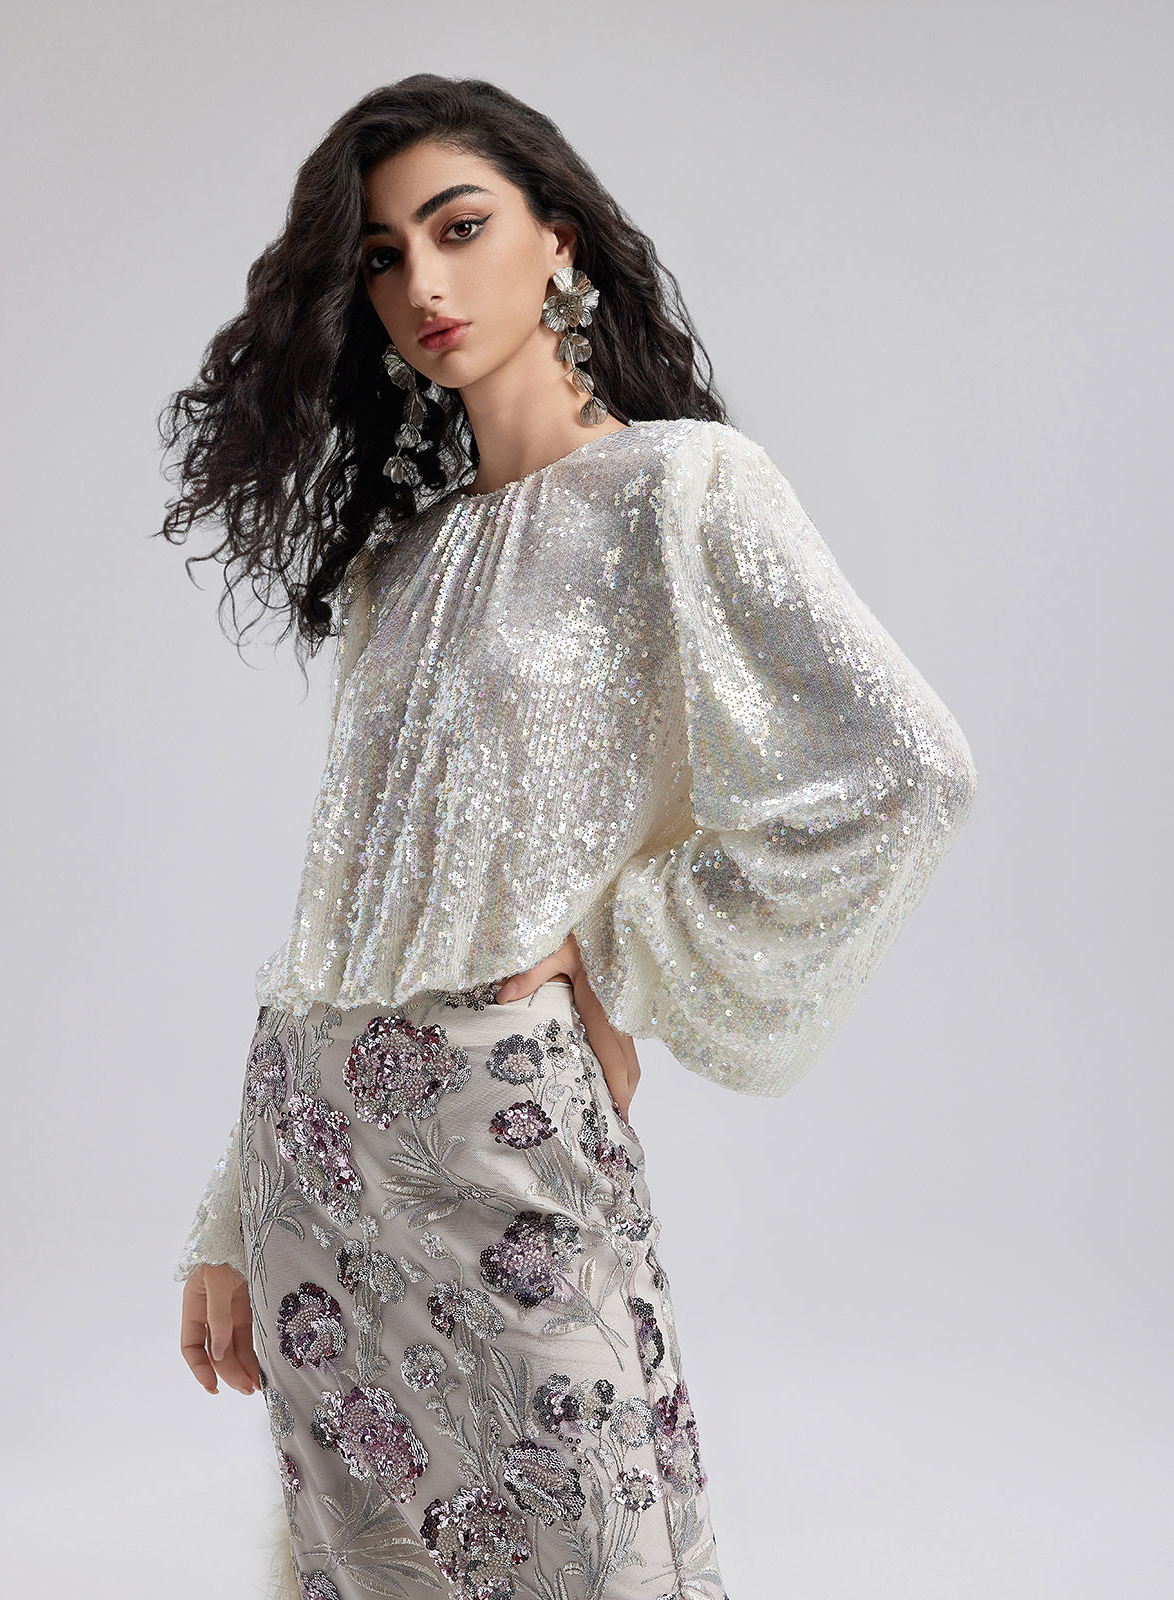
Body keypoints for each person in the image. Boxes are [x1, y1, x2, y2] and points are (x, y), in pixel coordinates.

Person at [162, 73, 977, 1600]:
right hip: (310, 1153)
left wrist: (618, 948)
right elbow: (341, 898)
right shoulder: (399, 571)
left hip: (503, 1137)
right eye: (384, 256)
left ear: (560, 240)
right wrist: (226, 1211)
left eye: (459, 227)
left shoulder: (682, 487)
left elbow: (905, 769)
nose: (425, 281)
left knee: (603, 1562)